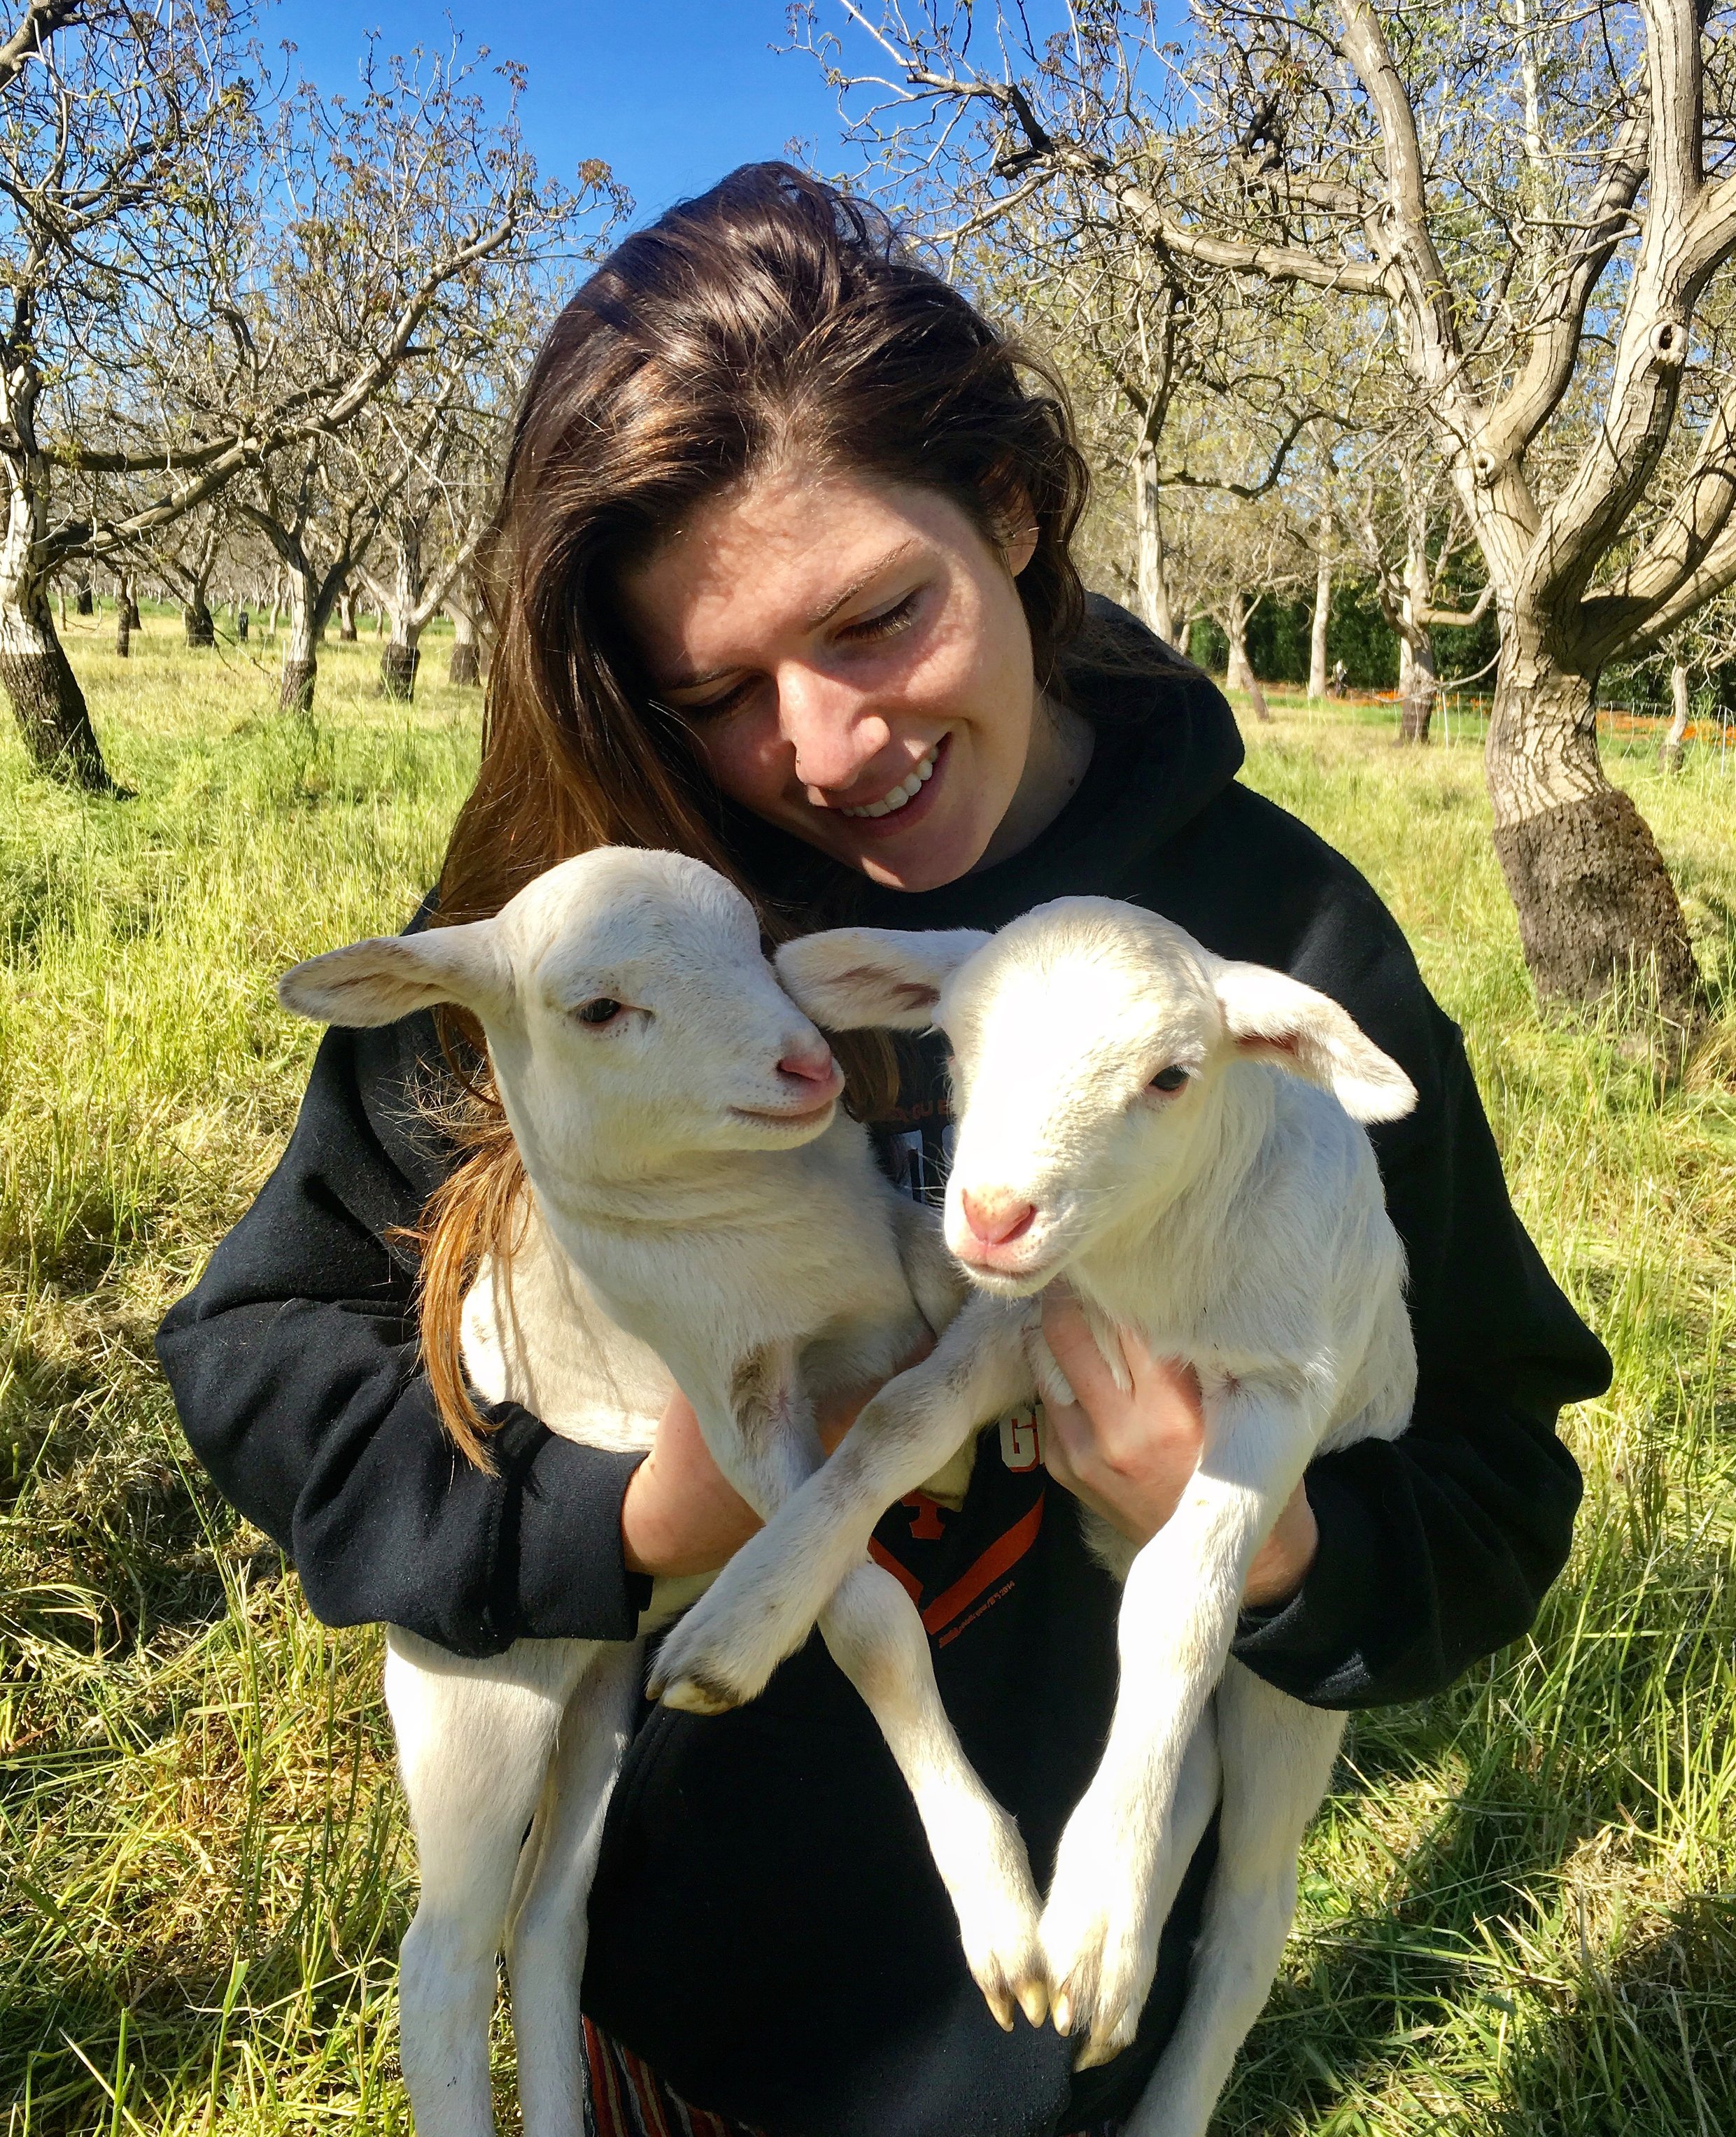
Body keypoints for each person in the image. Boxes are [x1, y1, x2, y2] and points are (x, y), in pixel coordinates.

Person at [157, 165, 1610, 2137]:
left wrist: (1266, 1539)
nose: (825, 746)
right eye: (719, 691)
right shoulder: (613, 935)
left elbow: (1497, 1473)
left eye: (878, 617)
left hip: (1060, 2042)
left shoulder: (1277, 954)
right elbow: (265, 1345)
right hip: (671, 2018)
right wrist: (627, 1524)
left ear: (1009, 512)